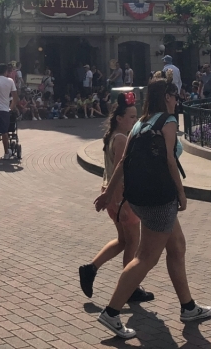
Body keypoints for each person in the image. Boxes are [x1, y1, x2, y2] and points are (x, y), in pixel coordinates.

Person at [93, 79, 211, 339]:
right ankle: (111, 312)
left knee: (177, 245)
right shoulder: (168, 122)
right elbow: (170, 161)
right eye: (174, 94)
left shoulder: (140, 123)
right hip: (161, 198)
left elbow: (123, 162)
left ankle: (188, 307)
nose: (177, 99)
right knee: (146, 257)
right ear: (167, 96)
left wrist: (108, 194)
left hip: (141, 197)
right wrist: (181, 193)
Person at [78, 91, 151, 304]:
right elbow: (120, 172)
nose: (134, 120)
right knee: (133, 244)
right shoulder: (121, 139)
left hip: (112, 198)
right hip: (122, 199)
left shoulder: (113, 136)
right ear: (119, 119)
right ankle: (131, 288)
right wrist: (122, 202)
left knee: (123, 240)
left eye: (136, 116)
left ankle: (90, 269)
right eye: (130, 117)